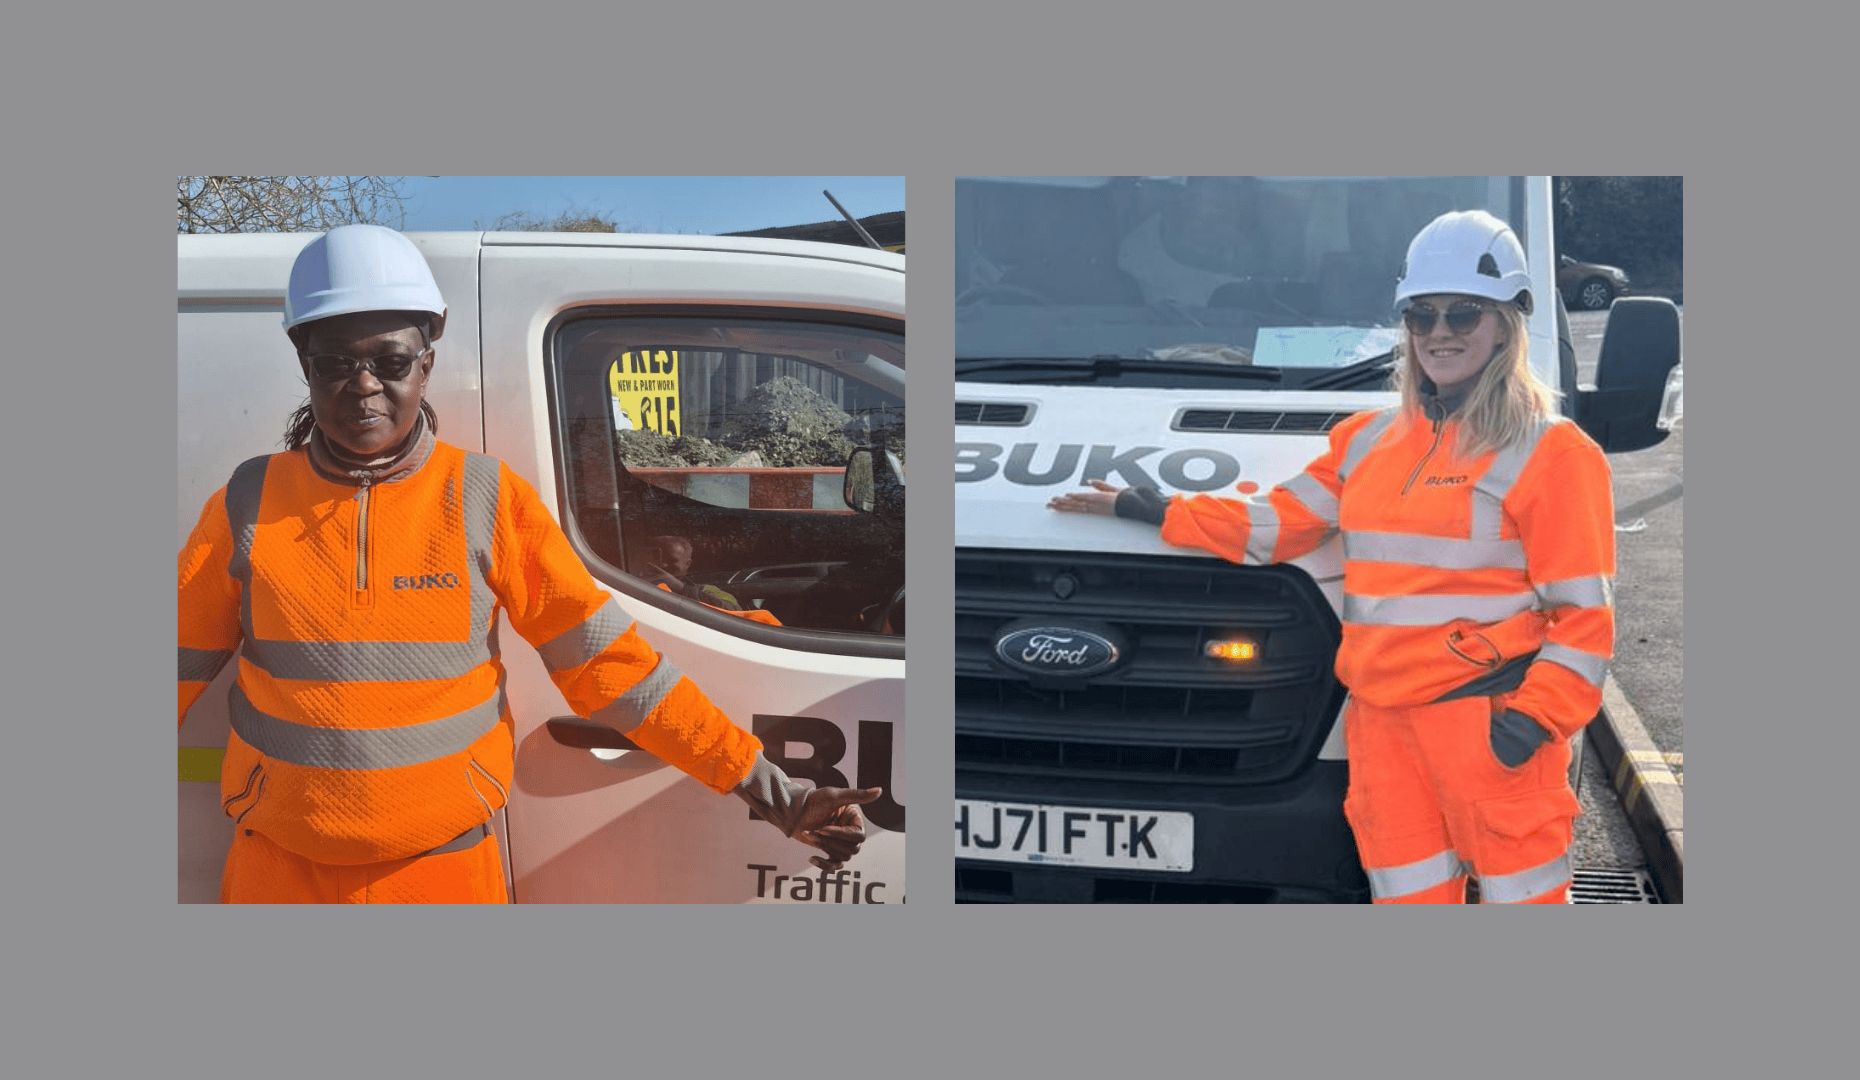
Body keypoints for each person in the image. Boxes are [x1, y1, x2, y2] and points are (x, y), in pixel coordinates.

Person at [178, 225, 881, 904]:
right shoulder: (248, 502)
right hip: (277, 875)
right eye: (335, 363)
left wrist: (774, 790)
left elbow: (612, 667)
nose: (363, 385)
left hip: (443, 877)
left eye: (390, 362)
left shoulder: (485, 499)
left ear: (426, 363)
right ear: (306, 366)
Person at [1050, 210, 1613, 904]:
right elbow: (1275, 526)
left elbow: (1583, 618)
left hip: (1483, 720)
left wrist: (1530, 723)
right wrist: (1152, 508)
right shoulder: (1367, 442)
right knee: (1405, 895)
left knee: (1523, 897)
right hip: (1380, 724)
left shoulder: (1554, 453)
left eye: (1463, 313)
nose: (1439, 332)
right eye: (1422, 315)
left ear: (1505, 324)